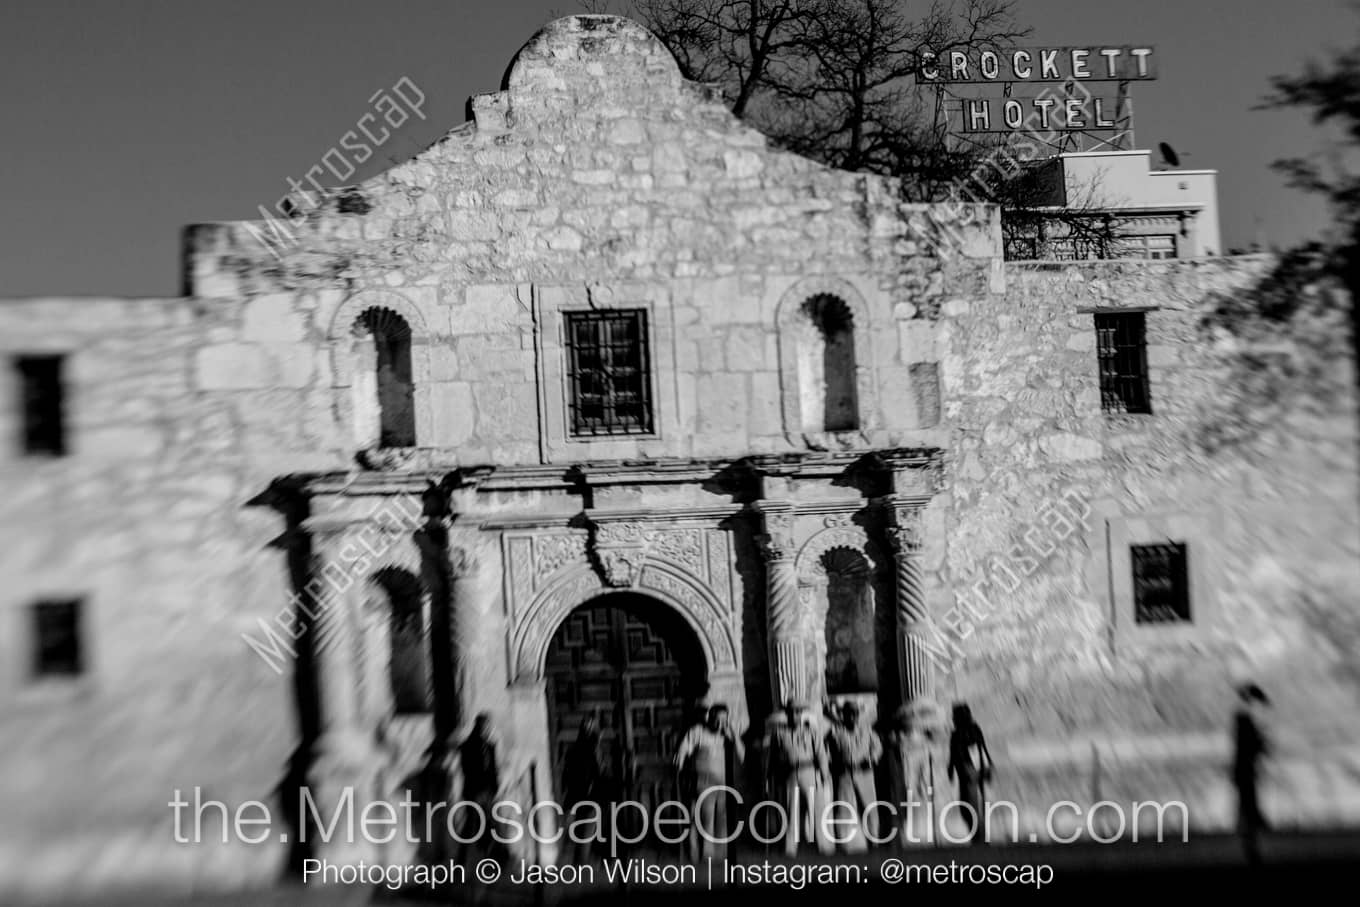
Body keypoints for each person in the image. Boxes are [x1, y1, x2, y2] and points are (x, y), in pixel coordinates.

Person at [674, 703, 744, 862]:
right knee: (706, 817)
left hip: (725, 783)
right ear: (710, 718)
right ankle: (706, 853)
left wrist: (732, 734)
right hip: (704, 781)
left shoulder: (729, 733)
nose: (720, 724)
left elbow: (742, 755)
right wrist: (681, 755)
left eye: (724, 720)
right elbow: (685, 748)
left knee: (723, 817)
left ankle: (721, 854)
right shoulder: (697, 731)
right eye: (717, 720)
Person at [763, 700, 832, 857]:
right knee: (791, 813)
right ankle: (790, 850)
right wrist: (769, 778)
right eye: (791, 712)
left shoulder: (812, 732)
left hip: (809, 772)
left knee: (816, 811)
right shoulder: (779, 734)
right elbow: (772, 759)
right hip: (790, 774)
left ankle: (823, 848)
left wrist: (824, 775)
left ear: (802, 714)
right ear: (787, 714)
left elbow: (821, 754)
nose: (795, 715)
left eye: (798, 712)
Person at [825, 701, 883, 852]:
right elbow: (826, 752)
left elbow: (877, 747)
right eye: (850, 714)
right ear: (844, 715)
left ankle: (874, 843)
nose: (853, 717)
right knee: (844, 810)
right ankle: (846, 847)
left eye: (856, 714)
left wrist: (871, 759)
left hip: (864, 775)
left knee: (870, 810)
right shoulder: (835, 733)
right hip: (844, 775)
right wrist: (832, 765)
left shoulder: (867, 731)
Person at [455, 713, 507, 867]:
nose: (487, 729)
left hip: (488, 792)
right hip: (474, 791)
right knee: (471, 825)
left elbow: (493, 769)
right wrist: (477, 789)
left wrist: (495, 788)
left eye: (488, 726)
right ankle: (462, 863)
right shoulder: (467, 746)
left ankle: (492, 859)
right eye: (485, 726)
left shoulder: (490, 745)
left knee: (490, 825)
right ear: (478, 726)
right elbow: (467, 770)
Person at [886, 704, 939, 847]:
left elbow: (924, 770)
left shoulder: (919, 744)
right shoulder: (900, 744)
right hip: (910, 787)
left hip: (915, 787)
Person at [1233, 683, 1271, 866]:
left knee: (1247, 804)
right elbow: (1250, 745)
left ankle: (1250, 845)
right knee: (1248, 804)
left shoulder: (1242, 718)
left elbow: (1248, 745)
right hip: (1245, 769)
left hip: (1244, 769)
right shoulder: (1244, 719)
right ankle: (1251, 849)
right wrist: (1262, 743)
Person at [946, 702, 993, 845]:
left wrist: (951, 770)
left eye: (954, 716)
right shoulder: (975, 729)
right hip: (978, 771)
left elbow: (954, 755)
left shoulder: (957, 734)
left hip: (967, 773)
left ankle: (979, 839)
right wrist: (988, 768)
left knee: (968, 808)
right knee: (974, 806)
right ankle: (981, 838)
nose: (952, 718)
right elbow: (982, 747)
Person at [561, 715, 604, 865]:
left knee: (580, 828)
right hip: (590, 794)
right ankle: (582, 862)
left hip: (576, 794)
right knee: (587, 829)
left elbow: (566, 774)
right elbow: (597, 773)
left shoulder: (572, 749)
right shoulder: (594, 749)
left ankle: (578, 860)